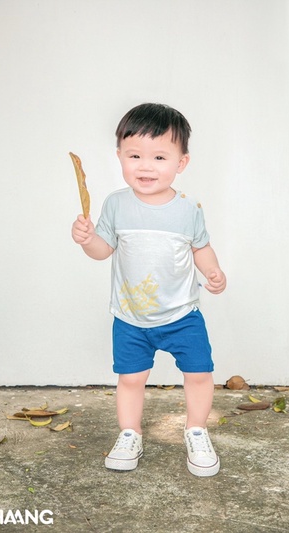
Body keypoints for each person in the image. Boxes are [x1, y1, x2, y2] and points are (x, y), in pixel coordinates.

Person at [71, 103, 227, 477]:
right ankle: (130, 434)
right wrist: (87, 240)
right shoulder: (116, 204)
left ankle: (196, 429)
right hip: (131, 317)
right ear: (119, 156)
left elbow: (201, 247)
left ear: (181, 163)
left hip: (182, 314)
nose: (146, 166)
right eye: (135, 155)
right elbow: (103, 251)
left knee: (199, 374)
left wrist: (213, 270)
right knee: (131, 379)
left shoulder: (188, 209)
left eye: (159, 157)